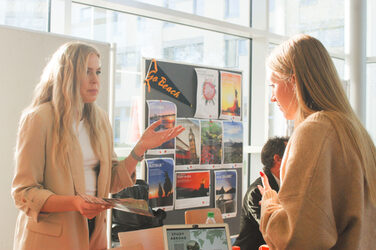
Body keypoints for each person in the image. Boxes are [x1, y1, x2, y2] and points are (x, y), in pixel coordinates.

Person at [11, 42, 185, 250]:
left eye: (98, 72)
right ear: (67, 75)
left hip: (95, 235)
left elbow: (111, 181)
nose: (95, 80)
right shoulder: (39, 119)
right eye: (87, 72)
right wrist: (75, 203)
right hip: (52, 240)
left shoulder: (100, 119)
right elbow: (24, 193)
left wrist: (139, 149)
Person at [258, 34, 376, 249]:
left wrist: (269, 203)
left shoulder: (316, 129)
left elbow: (296, 237)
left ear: (294, 79)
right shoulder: (355, 131)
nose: (272, 98)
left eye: (273, 85)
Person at [234, 136, 288, 250]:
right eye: (291, 155)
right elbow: (270, 228)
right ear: (277, 159)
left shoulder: (288, 185)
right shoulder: (257, 191)